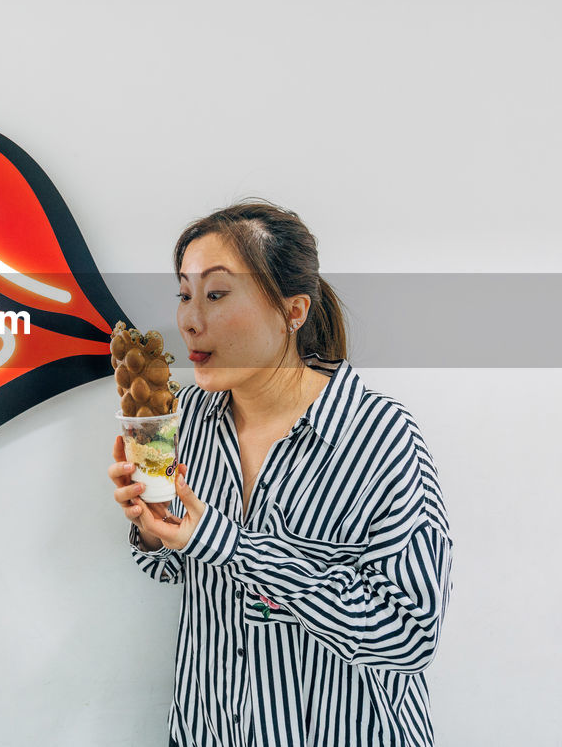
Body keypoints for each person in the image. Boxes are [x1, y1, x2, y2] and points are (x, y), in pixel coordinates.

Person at [108, 201, 454, 747]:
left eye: (216, 294)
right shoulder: (188, 417)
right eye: (184, 294)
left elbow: (409, 636)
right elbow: (178, 572)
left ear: (293, 311)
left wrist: (226, 544)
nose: (189, 320)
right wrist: (154, 530)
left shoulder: (379, 438)